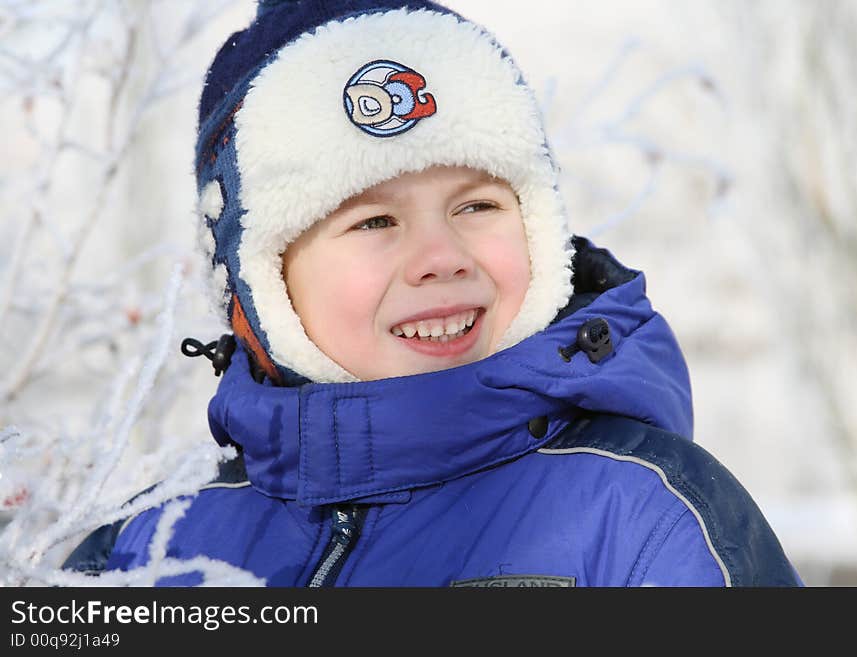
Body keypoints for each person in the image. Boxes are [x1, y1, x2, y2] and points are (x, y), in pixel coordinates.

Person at [63, 0, 802, 587]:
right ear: (260, 288)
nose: (441, 258)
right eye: (375, 219)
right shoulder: (148, 549)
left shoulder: (647, 517)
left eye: (477, 206)